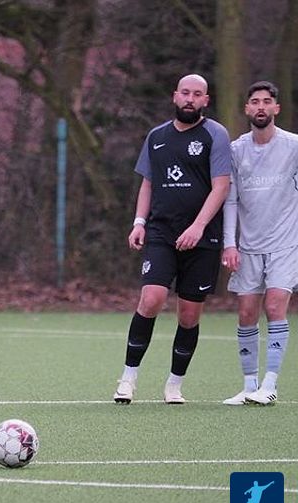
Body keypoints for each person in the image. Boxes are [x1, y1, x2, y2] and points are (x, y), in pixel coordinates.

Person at [113, 74, 231, 405]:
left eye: (197, 94)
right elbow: (148, 184)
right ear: (175, 96)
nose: (190, 99)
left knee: (189, 315)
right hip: (161, 233)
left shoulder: (215, 135)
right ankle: (128, 378)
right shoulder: (157, 136)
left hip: (202, 238)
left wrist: (198, 226)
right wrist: (139, 222)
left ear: (206, 100)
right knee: (151, 298)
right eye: (185, 93)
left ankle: (174, 384)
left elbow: (221, 186)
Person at [221, 81, 298, 406]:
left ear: (276, 108)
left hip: (285, 244)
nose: (261, 106)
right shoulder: (236, 149)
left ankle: (270, 384)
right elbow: (230, 200)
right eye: (255, 101)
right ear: (247, 108)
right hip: (248, 246)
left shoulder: (293, 146)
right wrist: (230, 244)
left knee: (275, 306)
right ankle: (249, 385)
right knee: (246, 313)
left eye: (267, 101)